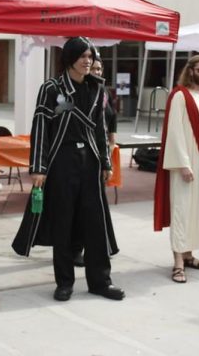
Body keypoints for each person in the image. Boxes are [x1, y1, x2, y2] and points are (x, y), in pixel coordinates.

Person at [12, 37, 124, 302]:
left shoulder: (98, 88)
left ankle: (100, 281)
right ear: (70, 58)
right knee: (63, 224)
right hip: (61, 162)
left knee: (95, 225)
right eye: (83, 56)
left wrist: (106, 161)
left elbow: (100, 128)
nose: (89, 61)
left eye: (91, 56)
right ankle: (64, 282)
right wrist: (38, 167)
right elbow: (40, 126)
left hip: (91, 163)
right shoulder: (51, 88)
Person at [154, 54, 199, 284]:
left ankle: (190, 256)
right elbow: (174, 132)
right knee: (182, 212)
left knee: (197, 212)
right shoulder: (179, 96)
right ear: (190, 70)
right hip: (184, 165)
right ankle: (178, 264)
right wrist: (182, 163)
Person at [71, 54, 117, 267]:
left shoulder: (103, 93)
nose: (97, 72)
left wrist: (109, 148)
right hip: (80, 157)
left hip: (99, 156)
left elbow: (110, 121)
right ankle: (75, 249)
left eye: (100, 69)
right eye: (94, 68)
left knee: (96, 208)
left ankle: (96, 248)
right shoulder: (81, 93)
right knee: (80, 208)